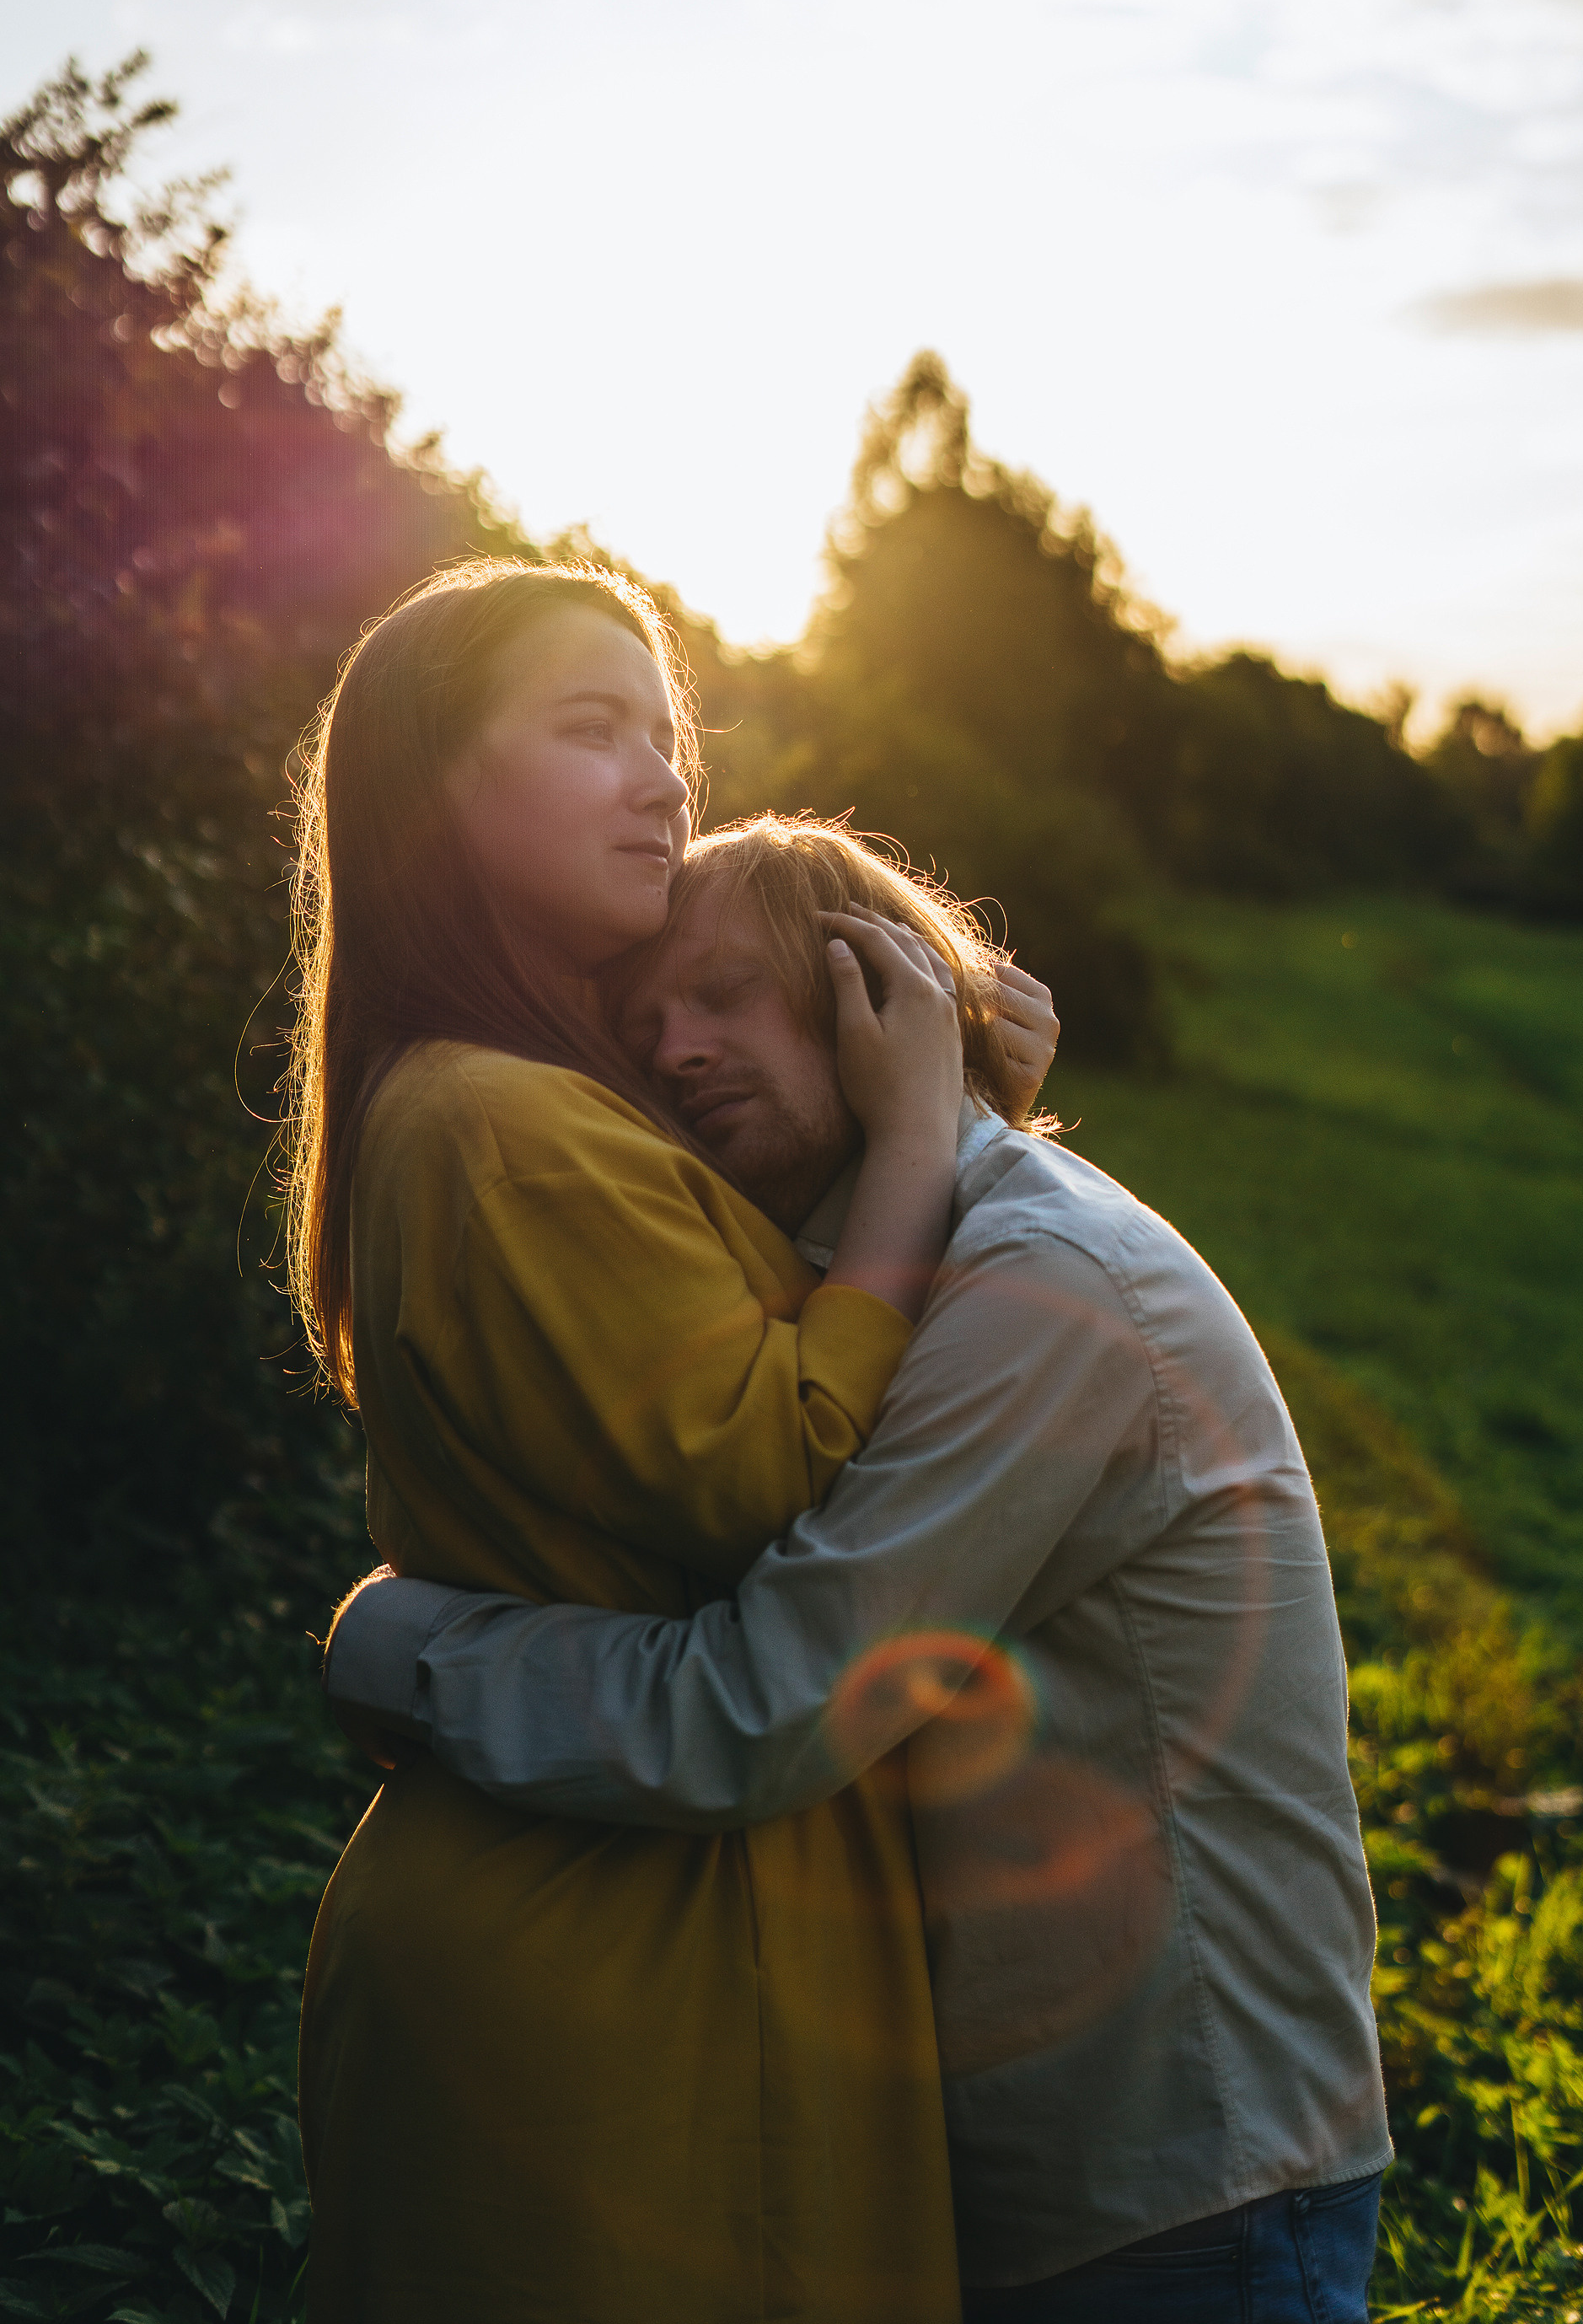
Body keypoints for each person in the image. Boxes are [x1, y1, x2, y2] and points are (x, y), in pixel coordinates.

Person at [330, 816, 1395, 2323]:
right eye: (643, 1025)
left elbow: (768, 1705)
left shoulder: (1046, 1285)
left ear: (875, 1000)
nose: (676, 1051)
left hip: (1174, 2184)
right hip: (1043, 2177)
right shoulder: (871, 1276)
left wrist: (410, 1654)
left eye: (725, 995)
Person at [287, 558, 1057, 2324]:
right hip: (604, 1950)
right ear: (429, 793)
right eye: (591, 731)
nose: (660, 784)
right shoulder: (497, 1123)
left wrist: (947, 1091)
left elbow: (752, 1302)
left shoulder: (555, 1107)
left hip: (647, 1889)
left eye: (666, 741)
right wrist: (919, 1149)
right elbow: (774, 1459)